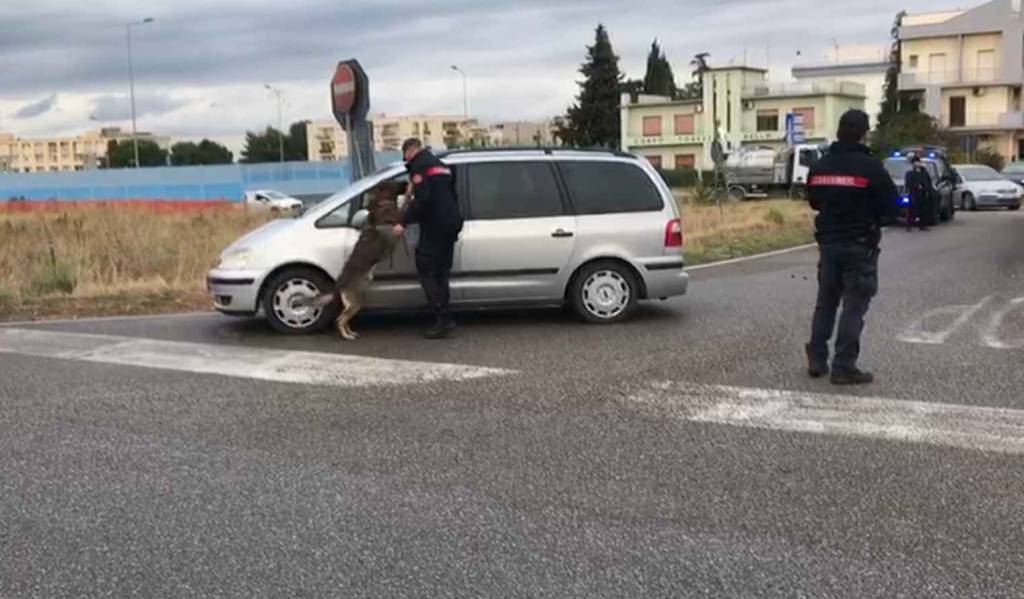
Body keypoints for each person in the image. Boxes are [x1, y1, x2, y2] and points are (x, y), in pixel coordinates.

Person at [805, 109, 899, 385]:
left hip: (829, 244)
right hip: (859, 245)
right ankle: (844, 366)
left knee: (826, 303)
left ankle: (817, 358)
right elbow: (890, 206)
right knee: (854, 305)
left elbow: (814, 201)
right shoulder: (870, 167)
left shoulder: (820, 166)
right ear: (863, 134)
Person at [393, 138, 464, 339]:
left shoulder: (420, 167)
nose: (405, 158)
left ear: (410, 151)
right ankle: (446, 318)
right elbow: (450, 195)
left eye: (405, 154)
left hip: (435, 226)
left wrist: (403, 222)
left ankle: (442, 320)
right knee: (442, 273)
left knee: (427, 272)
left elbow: (424, 200)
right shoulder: (441, 166)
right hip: (450, 223)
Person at [903, 155, 932, 231]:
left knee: (923, 210)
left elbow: (928, 182)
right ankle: (909, 226)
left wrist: (926, 189)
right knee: (911, 211)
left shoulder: (924, 172)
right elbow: (908, 183)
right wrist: (916, 186)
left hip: (922, 193)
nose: (917, 163)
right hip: (913, 194)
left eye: (918, 162)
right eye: (915, 162)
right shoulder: (910, 173)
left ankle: (922, 225)